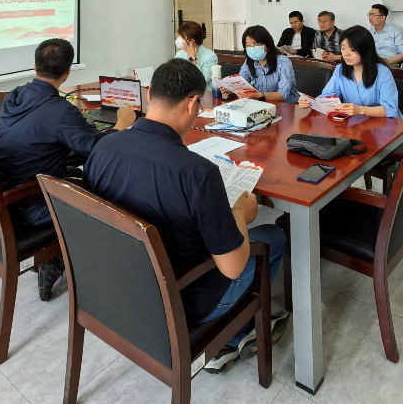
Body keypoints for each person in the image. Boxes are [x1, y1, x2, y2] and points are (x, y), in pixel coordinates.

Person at [85, 59, 289, 372]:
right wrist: (240, 214)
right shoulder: (197, 173)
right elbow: (233, 267)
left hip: (114, 288)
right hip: (178, 303)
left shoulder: (103, 148)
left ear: (150, 93)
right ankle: (229, 339)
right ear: (193, 103)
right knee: (273, 236)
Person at [0, 38, 134, 300]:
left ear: (35, 66)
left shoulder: (14, 96)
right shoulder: (60, 112)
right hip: (32, 206)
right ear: (68, 71)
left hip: (4, 194)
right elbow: (97, 149)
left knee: (79, 174)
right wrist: (122, 124)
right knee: (107, 185)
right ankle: (58, 259)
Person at [298, 26, 400, 117]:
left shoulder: (382, 72)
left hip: (383, 124)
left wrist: (361, 110)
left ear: (366, 50)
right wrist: (312, 102)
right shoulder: (340, 69)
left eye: (352, 50)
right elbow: (328, 97)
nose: (346, 54)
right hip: (355, 124)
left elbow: (390, 109)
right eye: (343, 48)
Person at [236, 25, 299, 104]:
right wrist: (229, 89)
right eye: (248, 46)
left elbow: (283, 95)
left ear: (267, 45)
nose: (252, 49)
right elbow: (241, 84)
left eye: (256, 44)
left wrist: (257, 95)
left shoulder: (283, 62)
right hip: (261, 104)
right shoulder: (249, 62)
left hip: (286, 106)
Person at [174, 20, 219, 90]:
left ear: (191, 41)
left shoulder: (210, 56)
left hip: (204, 93)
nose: (178, 40)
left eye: (181, 37)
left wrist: (192, 58)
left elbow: (202, 81)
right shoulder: (180, 54)